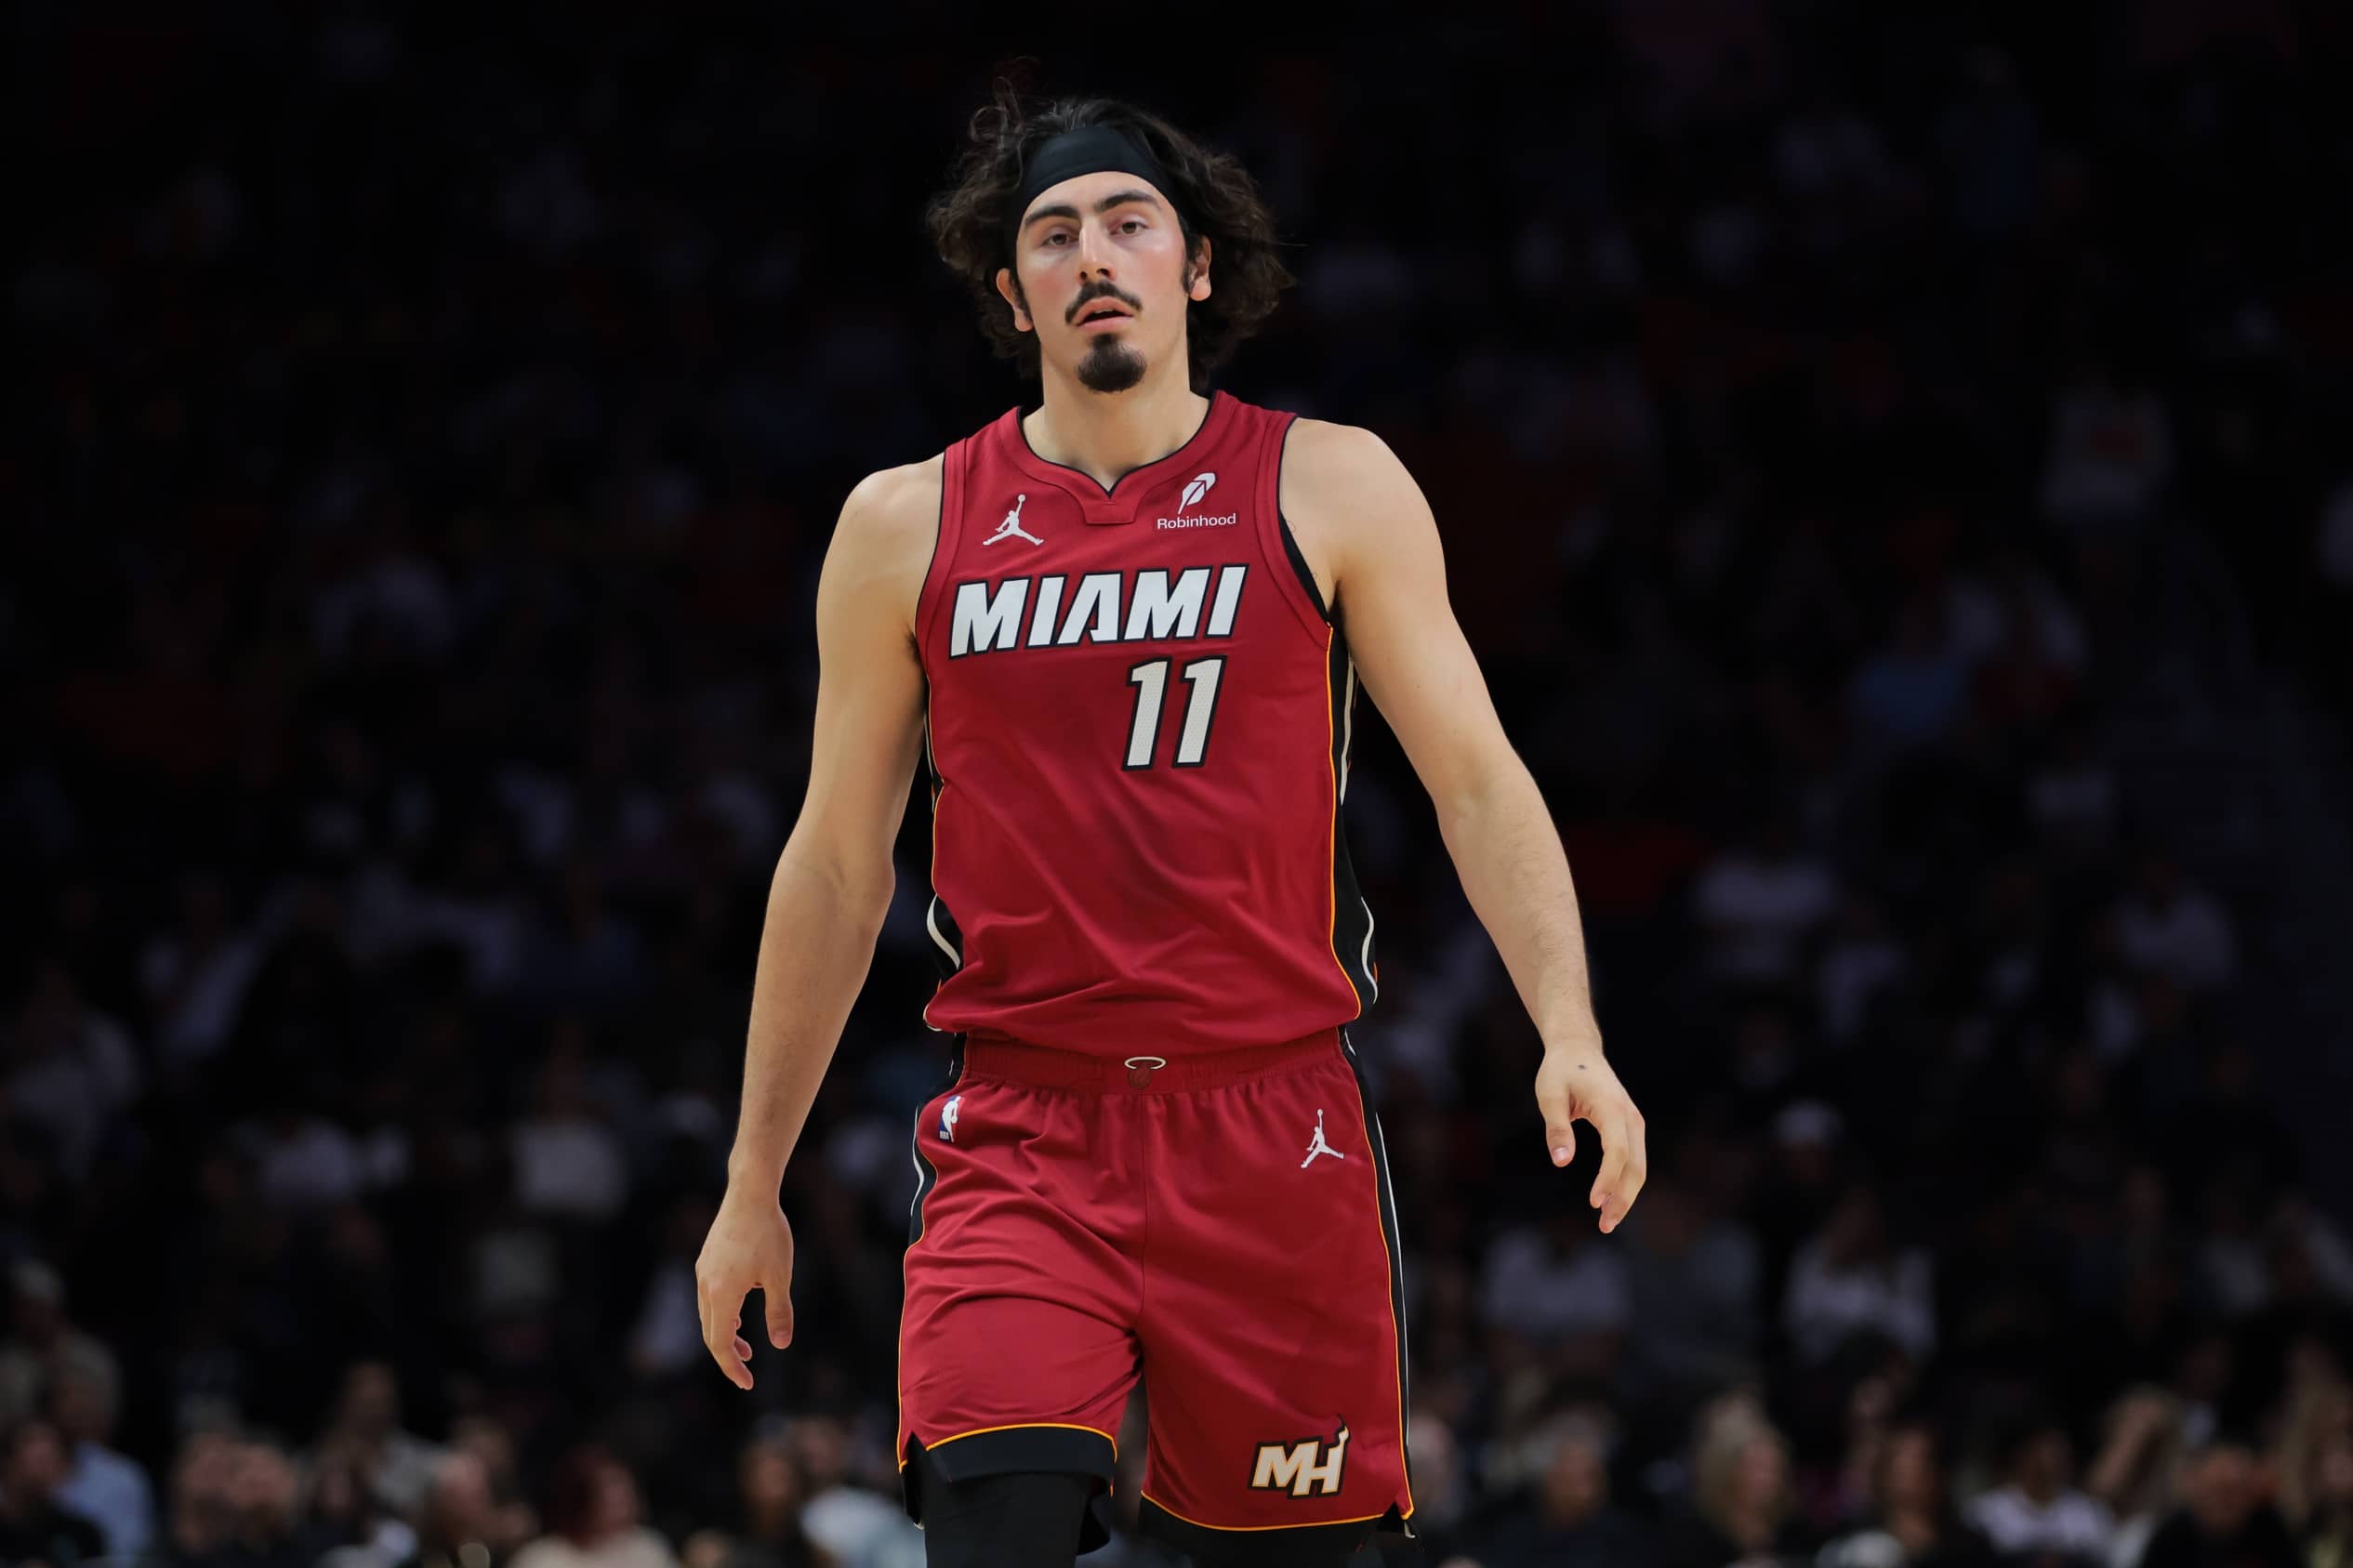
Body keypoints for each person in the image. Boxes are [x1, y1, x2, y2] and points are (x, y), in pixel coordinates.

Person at [695, 87, 1647, 1568]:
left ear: (1197, 265)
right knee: (989, 1532)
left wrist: (1569, 1029)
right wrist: (753, 1180)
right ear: (1013, 292)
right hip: (1023, 1129)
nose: (1095, 255)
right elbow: (832, 862)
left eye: (1130, 224)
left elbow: (1476, 776)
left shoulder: (1332, 480)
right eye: (1055, 233)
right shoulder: (904, 522)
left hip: (1272, 1127)